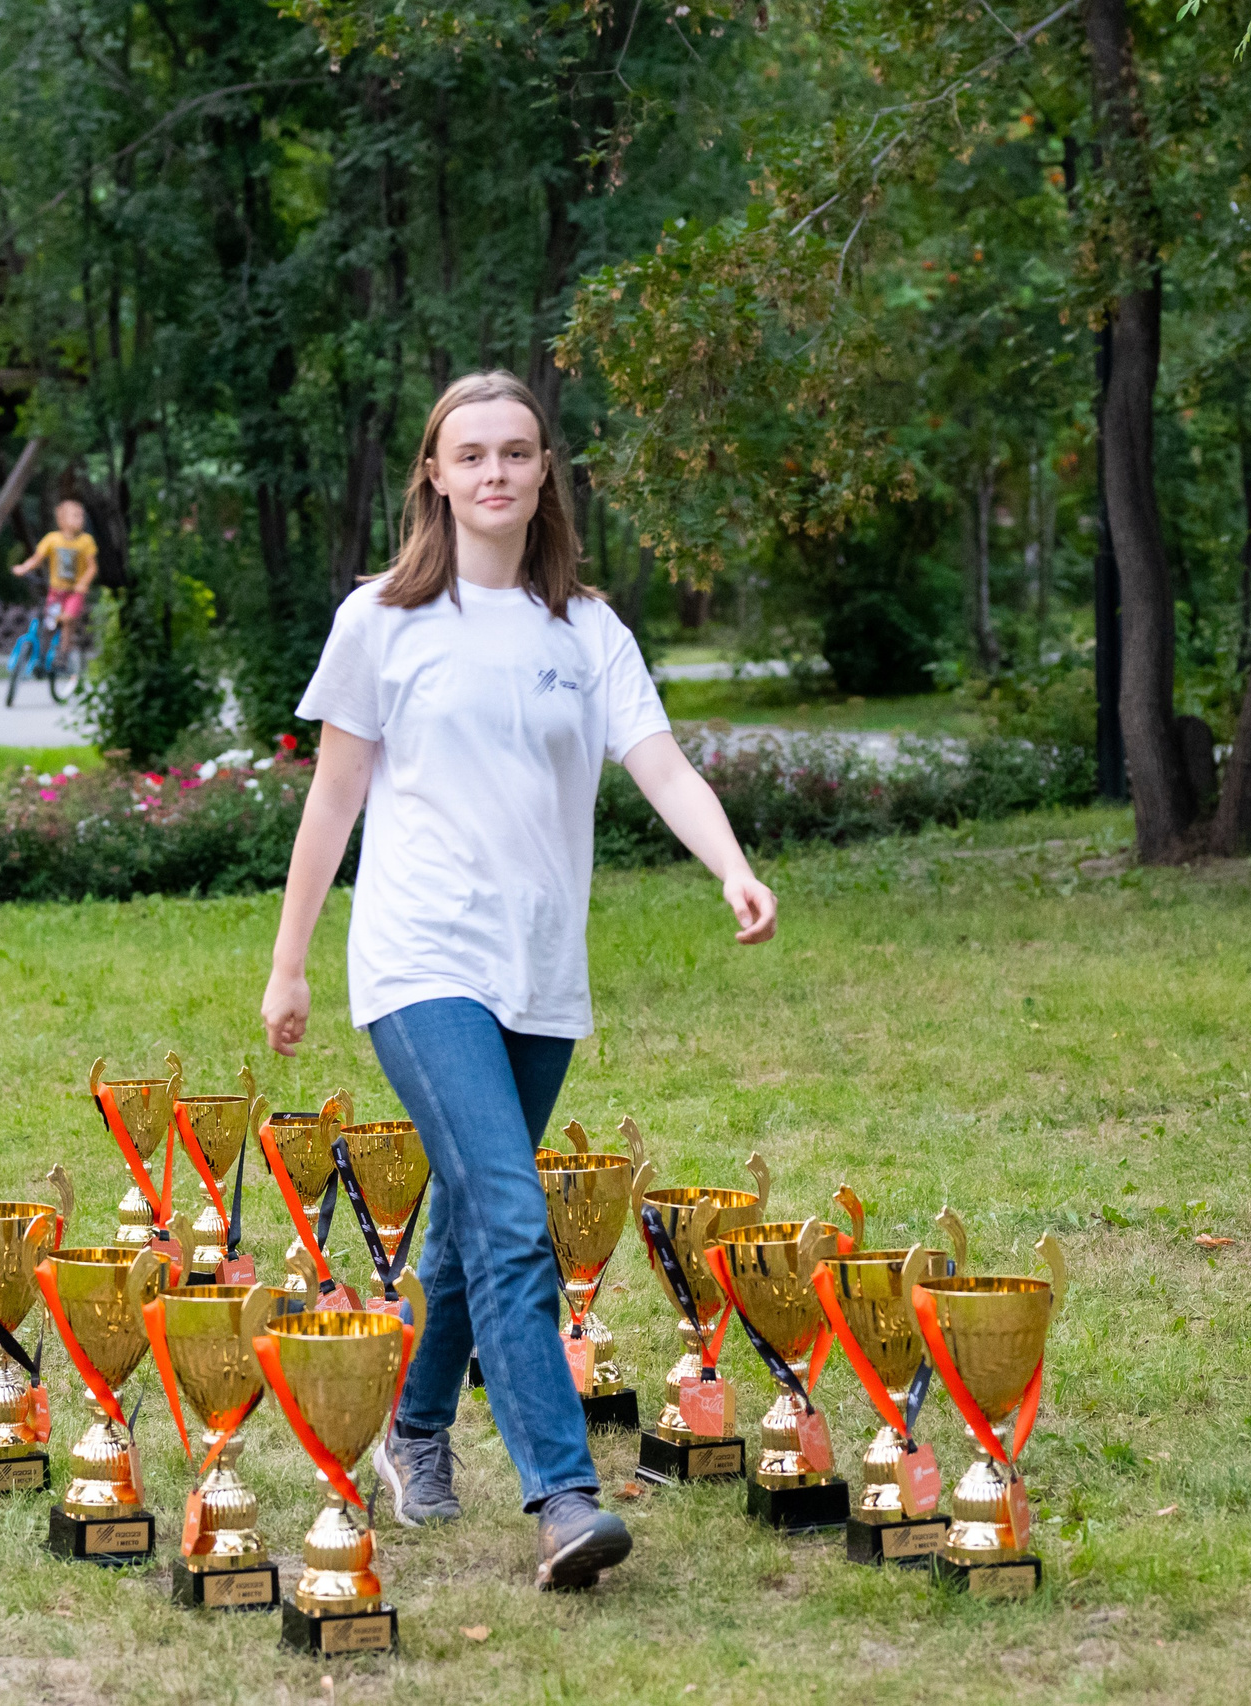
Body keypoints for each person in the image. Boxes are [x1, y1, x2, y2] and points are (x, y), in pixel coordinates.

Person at [260, 371, 778, 1593]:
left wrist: (732, 866)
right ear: (434, 475)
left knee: (464, 1226)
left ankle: (415, 1429)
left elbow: (659, 762)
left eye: (518, 453)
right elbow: (332, 798)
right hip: (418, 959)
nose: (495, 472)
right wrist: (288, 963)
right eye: (470, 454)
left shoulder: (584, 629)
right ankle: (563, 1493)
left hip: (540, 973)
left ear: (546, 473)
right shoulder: (380, 619)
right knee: (506, 1209)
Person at [8, 499, 99, 654]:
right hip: (57, 591)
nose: (80, 520)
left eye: (81, 516)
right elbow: (37, 559)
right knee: (50, 622)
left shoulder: (86, 541)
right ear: (61, 520)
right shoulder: (52, 539)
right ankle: (43, 654)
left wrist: (83, 583)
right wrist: (23, 568)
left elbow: (92, 567)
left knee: (68, 620)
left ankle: (63, 654)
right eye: (75, 516)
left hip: (74, 592)